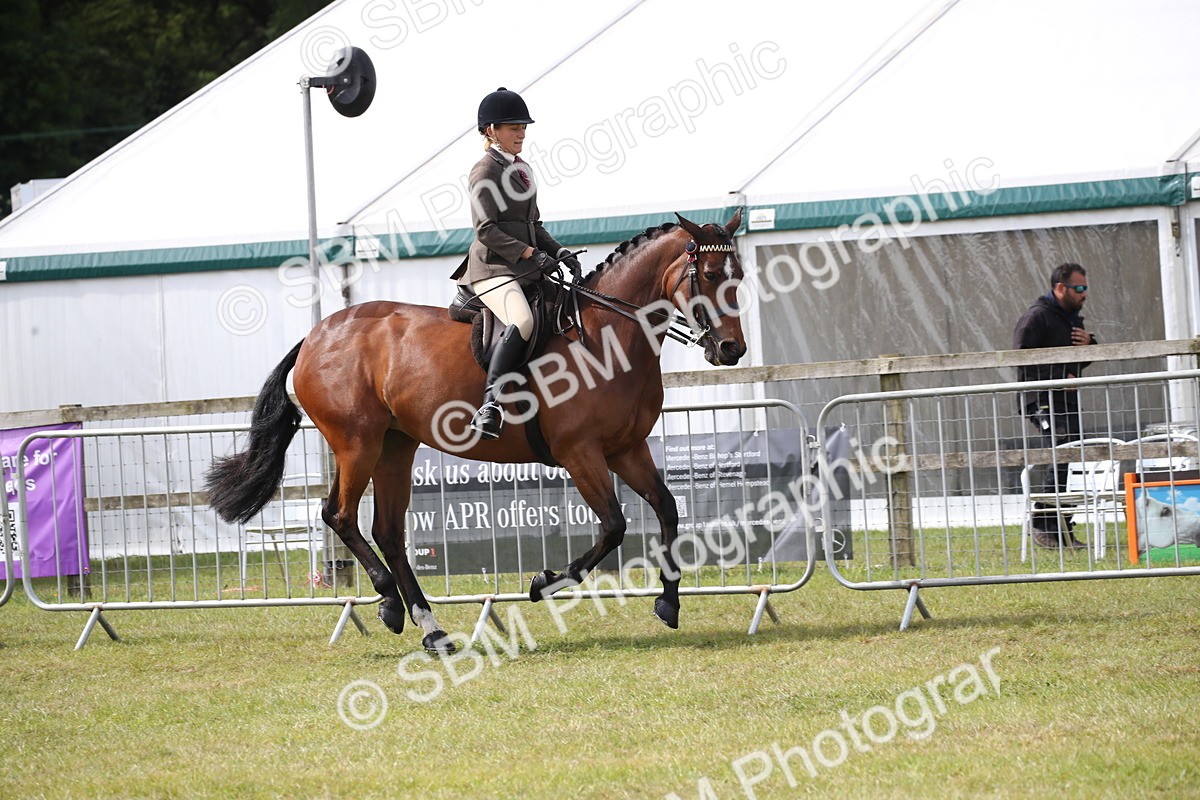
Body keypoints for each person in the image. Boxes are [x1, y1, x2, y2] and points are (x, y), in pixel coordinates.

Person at [450, 87, 581, 439]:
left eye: (524, 127)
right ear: (492, 130)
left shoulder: (522, 169)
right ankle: (489, 405)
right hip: (492, 268)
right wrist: (528, 253)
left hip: (524, 267)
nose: (522, 133)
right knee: (522, 320)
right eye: (513, 127)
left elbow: (533, 225)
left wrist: (559, 252)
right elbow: (486, 229)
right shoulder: (484, 171)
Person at [1013, 262, 1097, 549]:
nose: (1085, 294)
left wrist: (1091, 344)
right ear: (1060, 288)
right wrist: (1059, 377)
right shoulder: (1037, 317)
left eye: (1086, 288)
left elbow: (1079, 361)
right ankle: (1043, 524)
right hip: (1041, 399)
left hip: (1066, 399)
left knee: (1068, 454)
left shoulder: (1073, 319)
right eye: (1080, 288)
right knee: (1059, 450)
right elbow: (1022, 359)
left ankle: (1061, 528)